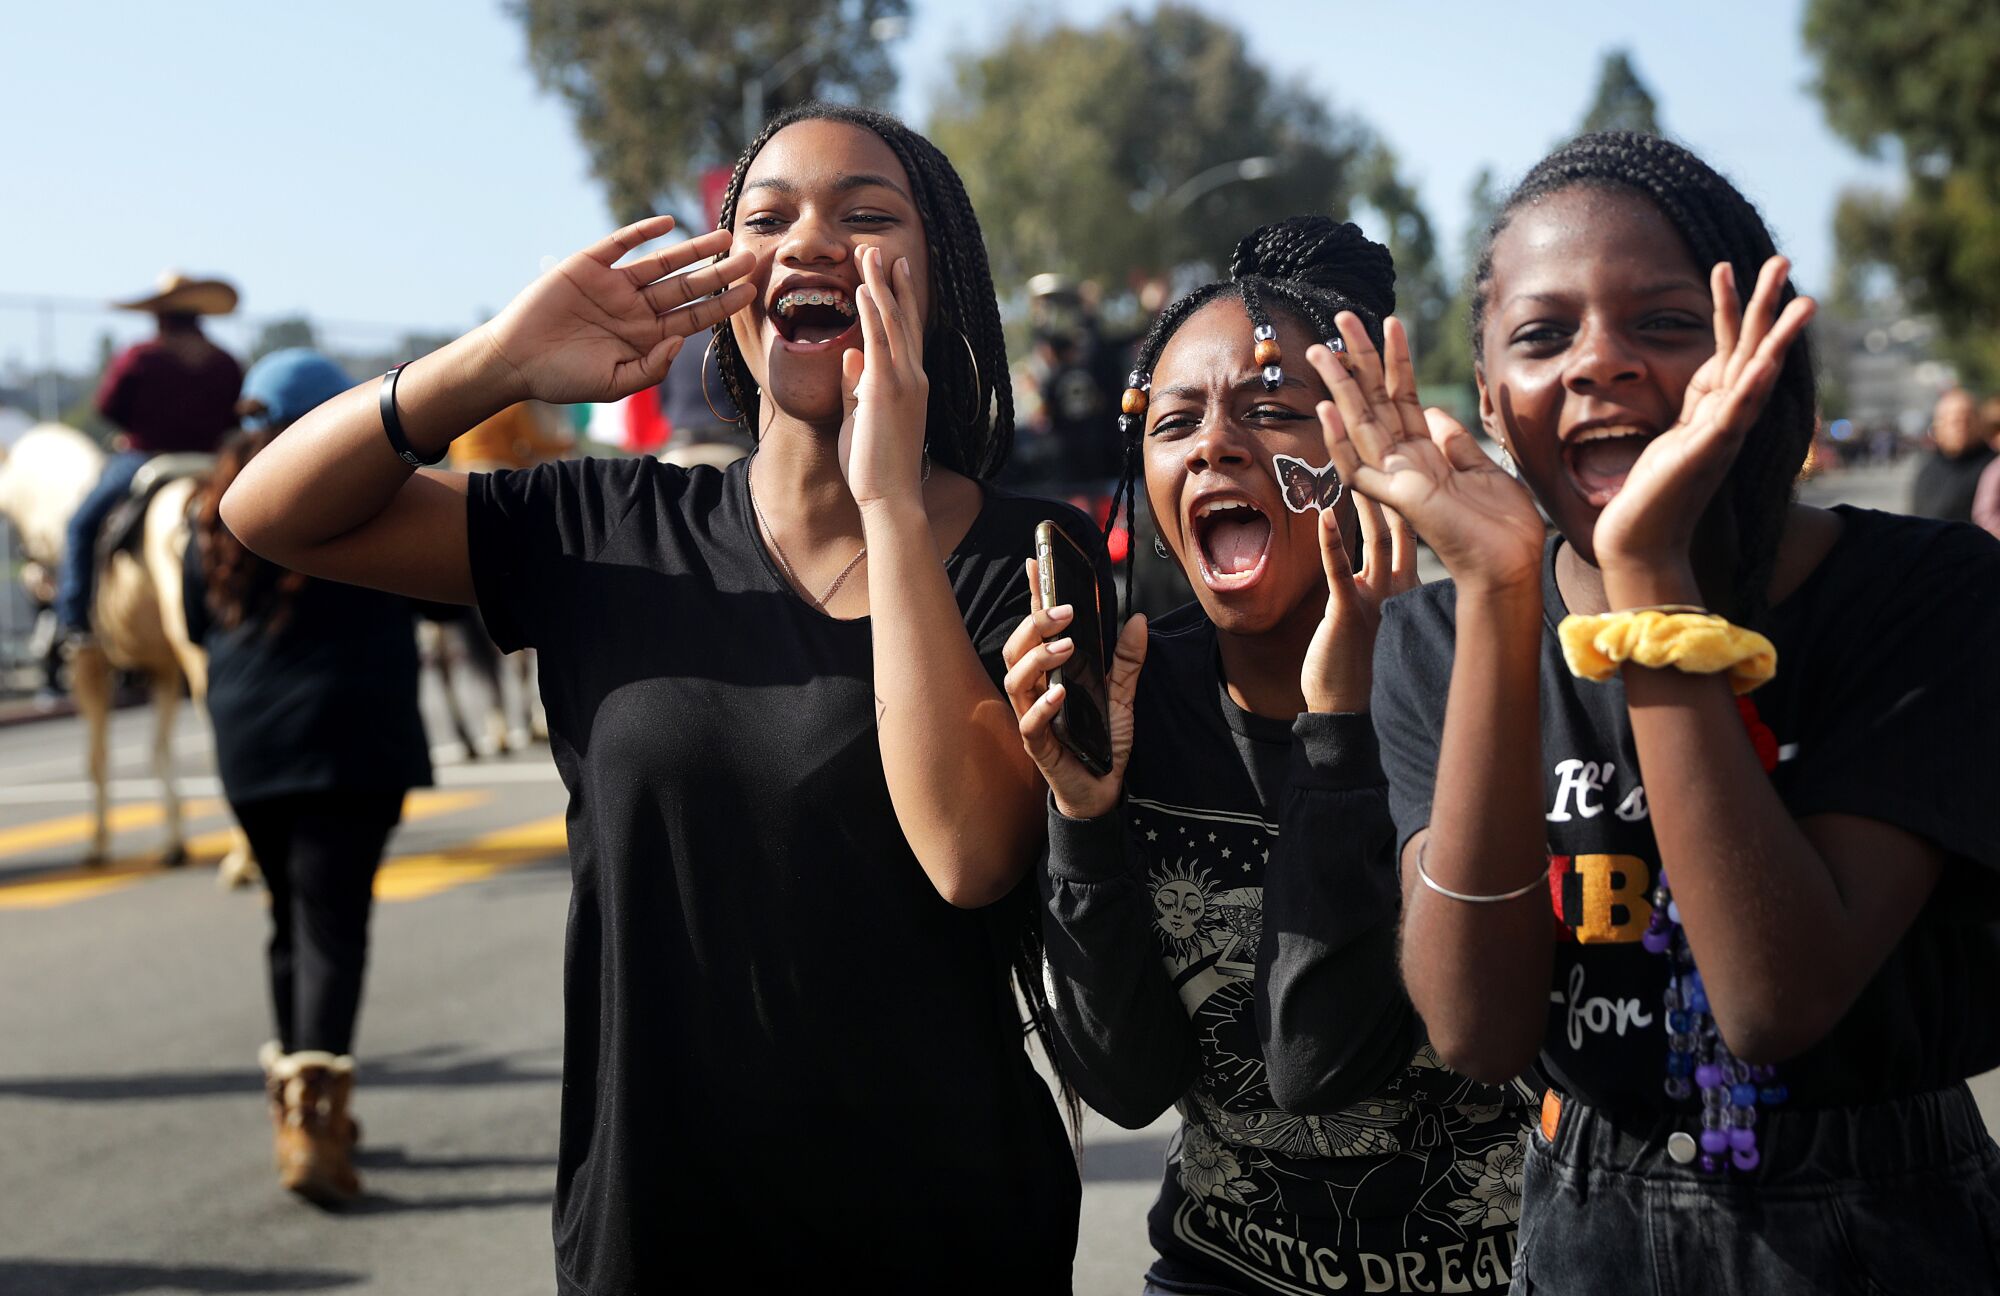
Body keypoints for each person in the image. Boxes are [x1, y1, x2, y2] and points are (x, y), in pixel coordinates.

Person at [221, 103, 1085, 1291]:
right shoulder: (606, 527)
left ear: (943, 279)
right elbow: (267, 514)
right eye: (766, 218)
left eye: (866, 216)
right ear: (729, 287)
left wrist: (888, 500)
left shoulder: (1027, 553)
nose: (809, 242)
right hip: (654, 1228)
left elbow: (969, 856)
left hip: (941, 1228)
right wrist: (496, 362)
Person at [1314, 131, 2000, 1292]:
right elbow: (1478, 1034)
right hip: (1589, 1215)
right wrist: (1491, 593)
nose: (1601, 363)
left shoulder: (1926, 597)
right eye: (1541, 335)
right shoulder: (1433, 642)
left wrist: (1648, 581)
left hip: (1884, 1218)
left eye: (1666, 324)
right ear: (1486, 395)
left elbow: (1771, 1000)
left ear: (1761, 351)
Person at [1003, 217, 1533, 1295]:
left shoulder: (1473, 678)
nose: (1214, 445)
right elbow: (1126, 1082)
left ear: (1357, 445)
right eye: (1175, 420)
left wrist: (1341, 735)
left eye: (1270, 410)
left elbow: (1316, 1066)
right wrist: (1082, 818)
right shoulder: (1126, 703)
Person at [185, 349, 431, 1206]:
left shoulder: (210, 507)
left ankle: (299, 1107)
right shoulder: (369, 494)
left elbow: (194, 621)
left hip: (248, 744)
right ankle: (315, 1133)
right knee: (333, 928)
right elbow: (448, 594)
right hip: (348, 740)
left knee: (289, 923)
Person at [57, 272, 242, 638]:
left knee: (81, 525)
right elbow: (233, 414)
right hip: (213, 461)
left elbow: (107, 405)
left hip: (145, 458)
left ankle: (74, 622)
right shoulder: (225, 361)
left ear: (160, 316)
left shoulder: (140, 356)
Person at [1908, 386, 1994, 523]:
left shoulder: (1993, 466)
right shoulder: (1928, 468)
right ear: (1937, 427)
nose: (1960, 426)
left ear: (1979, 421)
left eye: (1967, 418)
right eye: (1952, 420)